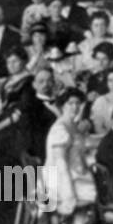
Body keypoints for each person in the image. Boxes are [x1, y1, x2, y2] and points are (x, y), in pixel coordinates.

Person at [43, 87, 87, 217]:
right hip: (58, 181)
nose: (75, 107)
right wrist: (69, 194)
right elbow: (60, 164)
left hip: (72, 173)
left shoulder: (72, 124)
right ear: (62, 106)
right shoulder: (60, 129)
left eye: (78, 103)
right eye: (70, 103)